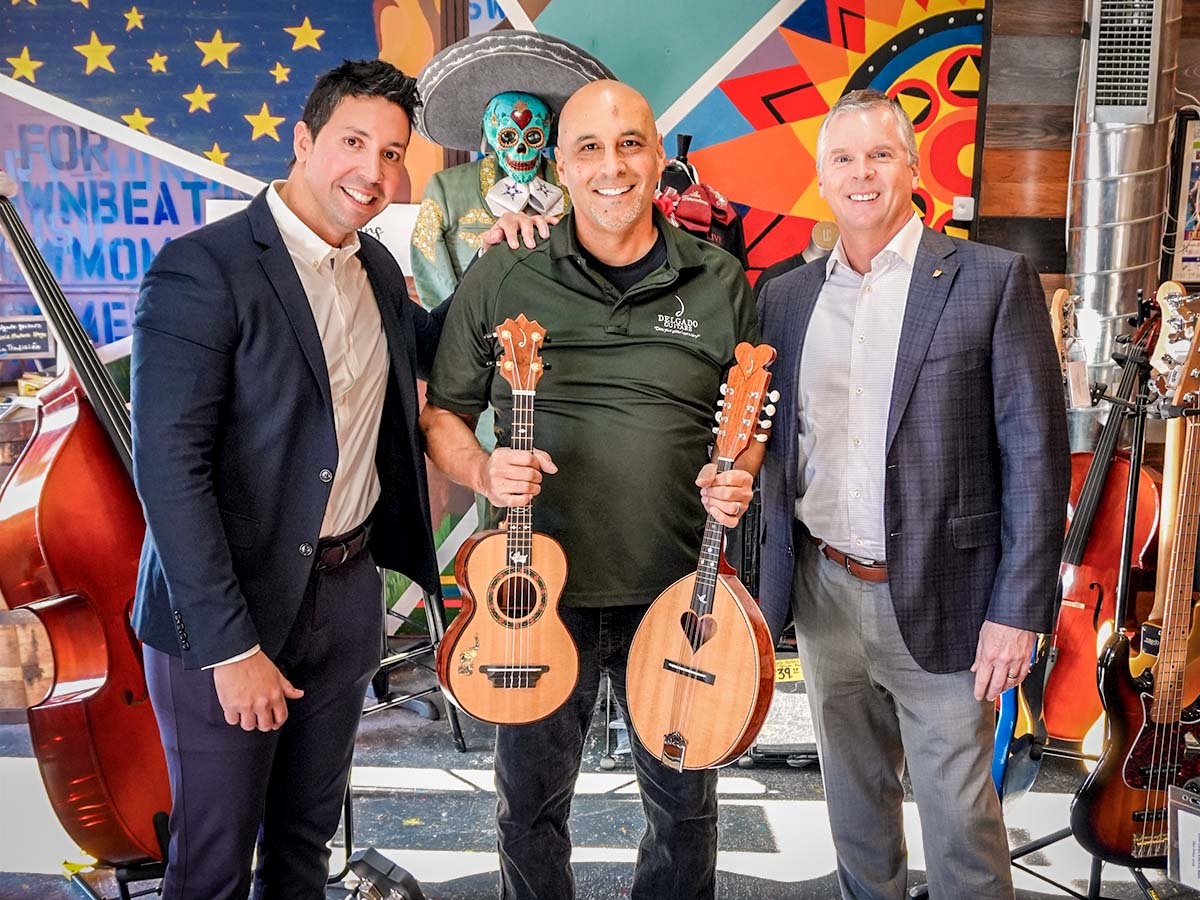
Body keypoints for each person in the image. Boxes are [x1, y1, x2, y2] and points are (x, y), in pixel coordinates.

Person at [130, 58, 537, 899]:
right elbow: (169, 472)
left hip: (347, 600)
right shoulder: (201, 269)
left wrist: (492, 264)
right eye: (356, 143)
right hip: (231, 614)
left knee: (304, 845)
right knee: (212, 861)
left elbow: (444, 348)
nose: (376, 173)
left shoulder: (376, 269)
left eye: (395, 154)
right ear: (305, 140)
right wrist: (229, 647)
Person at [419, 79, 761, 900]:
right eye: (590, 149)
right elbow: (444, 416)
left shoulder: (719, 280)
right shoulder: (504, 271)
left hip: (675, 590)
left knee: (684, 813)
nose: (613, 167)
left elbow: (746, 423)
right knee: (527, 811)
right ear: (560, 167)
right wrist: (479, 469)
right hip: (534, 595)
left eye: (631, 145)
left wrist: (738, 478)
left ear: (657, 159)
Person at [756, 89, 1070, 900]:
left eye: (879, 155)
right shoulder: (785, 300)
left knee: (959, 816)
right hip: (823, 590)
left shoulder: (990, 280)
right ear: (821, 178)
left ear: (914, 167)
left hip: (949, 593)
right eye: (844, 159)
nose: (862, 174)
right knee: (853, 804)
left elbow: (1036, 458)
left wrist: (1019, 610)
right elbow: (775, 448)